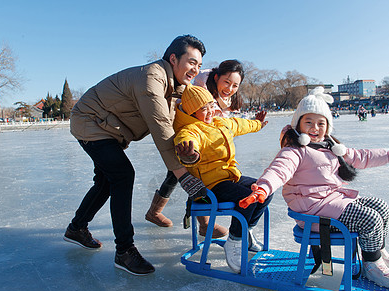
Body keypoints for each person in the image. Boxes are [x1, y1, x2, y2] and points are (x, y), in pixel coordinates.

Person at [240, 87, 389, 288]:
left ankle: (378, 253)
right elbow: (279, 170)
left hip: (330, 201)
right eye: (309, 122)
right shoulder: (295, 151)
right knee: (369, 218)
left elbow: (360, 156)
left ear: (327, 126)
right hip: (312, 210)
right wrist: (262, 189)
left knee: (380, 207)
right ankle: (372, 265)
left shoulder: (330, 146)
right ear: (298, 125)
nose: (315, 128)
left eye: (321, 123)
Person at [64, 34, 208, 276]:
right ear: (173, 58)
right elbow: (161, 128)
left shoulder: (179, 87)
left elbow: (180, 122)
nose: (195, 69)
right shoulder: (152, 77)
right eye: (192, 62)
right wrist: (183, 176)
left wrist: (189, 149)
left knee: (105, 181)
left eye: (199, 65)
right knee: (122, 175)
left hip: (109, 128)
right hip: (90, 121)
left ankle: (76, 228)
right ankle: (124, 250)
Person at [173, 84, 272, 273]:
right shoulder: (190, 129)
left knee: (264, 191)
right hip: (211, 185)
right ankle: (234, 241)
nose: (210, 110)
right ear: (192, 112)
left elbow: (240, 124)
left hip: (231, 176)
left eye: (211, 104)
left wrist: (257, 124)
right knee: (247, 200)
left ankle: (247, 231)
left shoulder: (220, 123)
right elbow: (186, 141)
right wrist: (189, 154)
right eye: (203, 108)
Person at [145, 60, 245, 238]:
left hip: (205, 135)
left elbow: (222, 119)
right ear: (216, 78)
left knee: (190, 174)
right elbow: (190, 109)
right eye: (227, 82)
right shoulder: (199, 86)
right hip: (189, 133)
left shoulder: (226, 94)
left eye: (235, 85)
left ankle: (196, 220)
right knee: (187, 173)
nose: (229, 88)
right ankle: (203, 223)